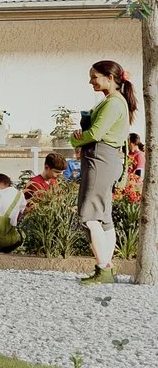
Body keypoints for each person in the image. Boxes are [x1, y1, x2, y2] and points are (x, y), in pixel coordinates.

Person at [76, 59, 137, 283]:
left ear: (110, 78)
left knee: (89, 216)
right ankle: (106, 269)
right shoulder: (115, 101)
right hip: (106, 159)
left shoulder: (113, 103)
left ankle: (104, 268)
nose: (90, 81)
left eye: (94, 77)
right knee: (103, 218)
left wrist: (77, 141)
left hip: (100, 158)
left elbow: (96, 133)